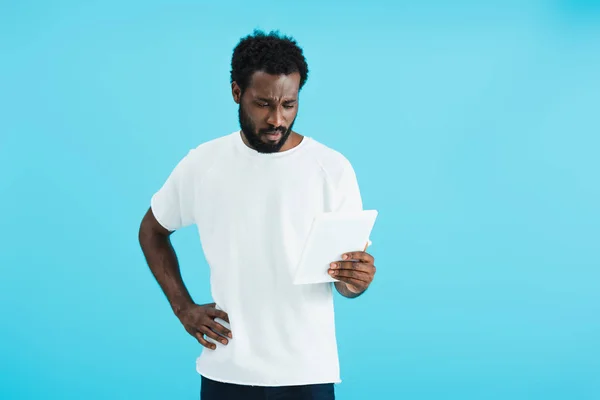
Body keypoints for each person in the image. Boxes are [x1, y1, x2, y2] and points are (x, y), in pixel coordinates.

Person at [138, 29, 377, 400]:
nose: (277, 119)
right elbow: (152, 230)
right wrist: (183, 308)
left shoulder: (332, 168)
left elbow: (344, 282)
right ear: (237, 93)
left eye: (289, 104)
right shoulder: (203, 164)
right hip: (227, 369)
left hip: (307, 371)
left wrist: (356, 281)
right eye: (263, 104)